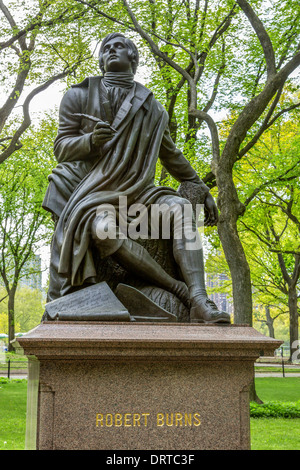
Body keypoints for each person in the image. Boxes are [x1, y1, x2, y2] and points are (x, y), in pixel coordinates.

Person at [42, 33, 230, 323]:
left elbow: (171, 154)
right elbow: (61, 148)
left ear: (133, 58)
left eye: (119, 47)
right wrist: (90, 141)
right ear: (101, 60)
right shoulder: (78, 96)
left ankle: (200, 300)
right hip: (95, 194)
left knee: (182, 209)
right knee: (104, 229)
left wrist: (200, 185)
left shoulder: (153, 109)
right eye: (106, 49)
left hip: (139, 194)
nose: (111, 51)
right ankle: (177, 289)